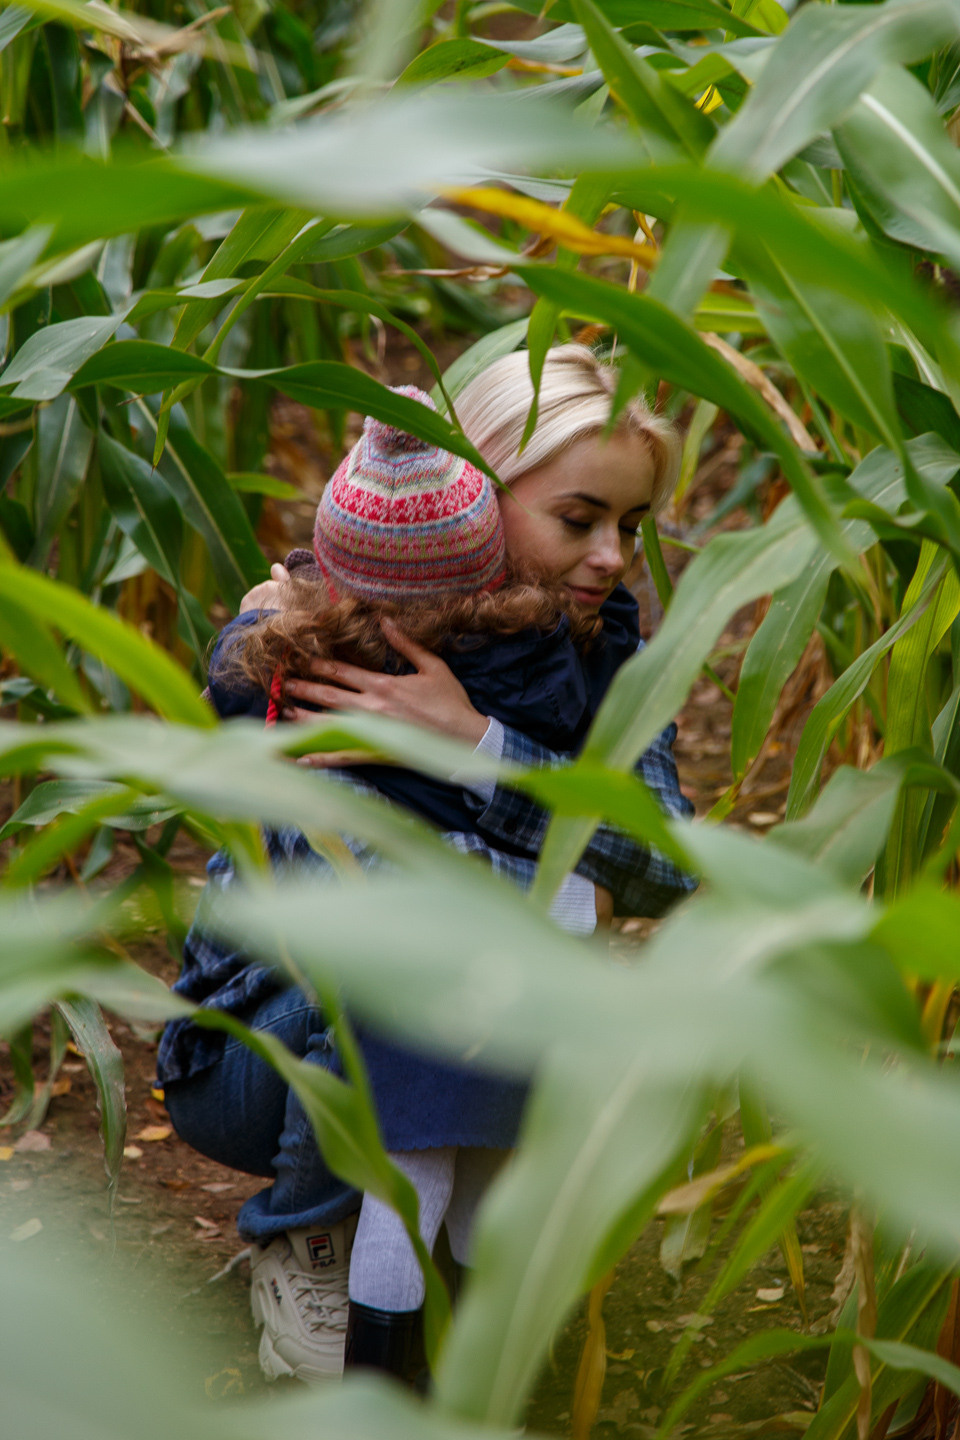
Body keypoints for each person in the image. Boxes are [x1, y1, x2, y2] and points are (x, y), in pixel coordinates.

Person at [157, 346, 696, 1387]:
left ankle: (459, 1250)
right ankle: (308, 1235)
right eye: (579, 518)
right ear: (479, 494)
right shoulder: (325, 638)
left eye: (631, 527)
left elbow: (669, 858)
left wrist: (478, 744)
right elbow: (333, 901)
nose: (612, 557)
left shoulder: (608, 653)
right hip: (266, 1050)